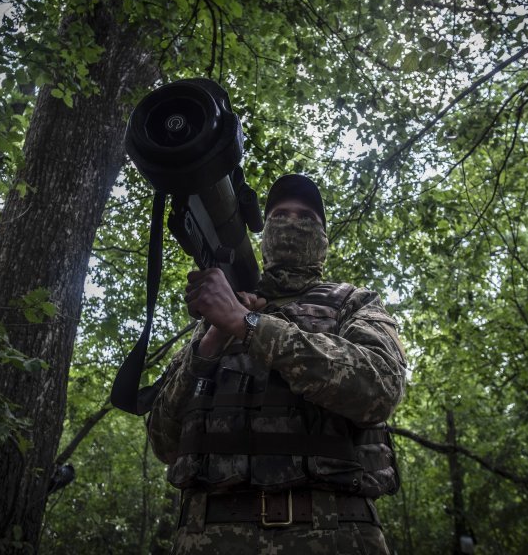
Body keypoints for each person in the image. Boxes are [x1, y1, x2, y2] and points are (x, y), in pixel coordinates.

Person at [147, 174, 407, 554]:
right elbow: (164, 442)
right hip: (207, 539)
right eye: (280, 215)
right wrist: (213, 338)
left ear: (323, 238)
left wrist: (248, 325)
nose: (292, 222)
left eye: (306, 217)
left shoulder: (356, 303)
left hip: (333, 535)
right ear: (264, 233)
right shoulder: (218, 318)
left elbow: (378, 388)